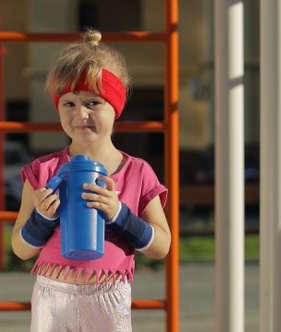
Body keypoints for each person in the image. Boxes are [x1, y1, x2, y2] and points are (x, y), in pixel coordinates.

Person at [11, 29, 171, 331]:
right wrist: (42, 218)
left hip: (108, 296)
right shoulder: (42, 171)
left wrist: (119, 215)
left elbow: (161, 245)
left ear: (116, 107)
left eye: (93, 103)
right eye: (68, 103)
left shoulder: (137, 171)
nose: (80, 113)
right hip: (52, 296)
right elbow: (20, 248)